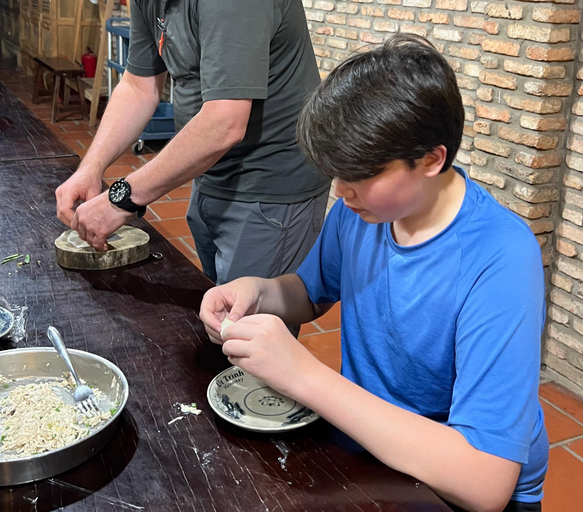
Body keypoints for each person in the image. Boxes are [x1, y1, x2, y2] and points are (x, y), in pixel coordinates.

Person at [199, 34, 548, 512]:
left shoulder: (502, 257)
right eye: (336, 174)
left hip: (447, 480)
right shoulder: (361, 210)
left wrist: (304, 376)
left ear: (431, 159)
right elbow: (309, 291)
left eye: (359, 175)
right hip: (365, 445)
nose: (340, 191)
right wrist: (258, 292)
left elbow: (484, 481)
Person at [55, 0, 331, 286]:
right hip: (212, 168)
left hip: (271, 185)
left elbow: (224, 122)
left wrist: (120, 200)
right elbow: (139, 86)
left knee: (247, 324)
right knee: (214, 305)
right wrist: (90, 167)